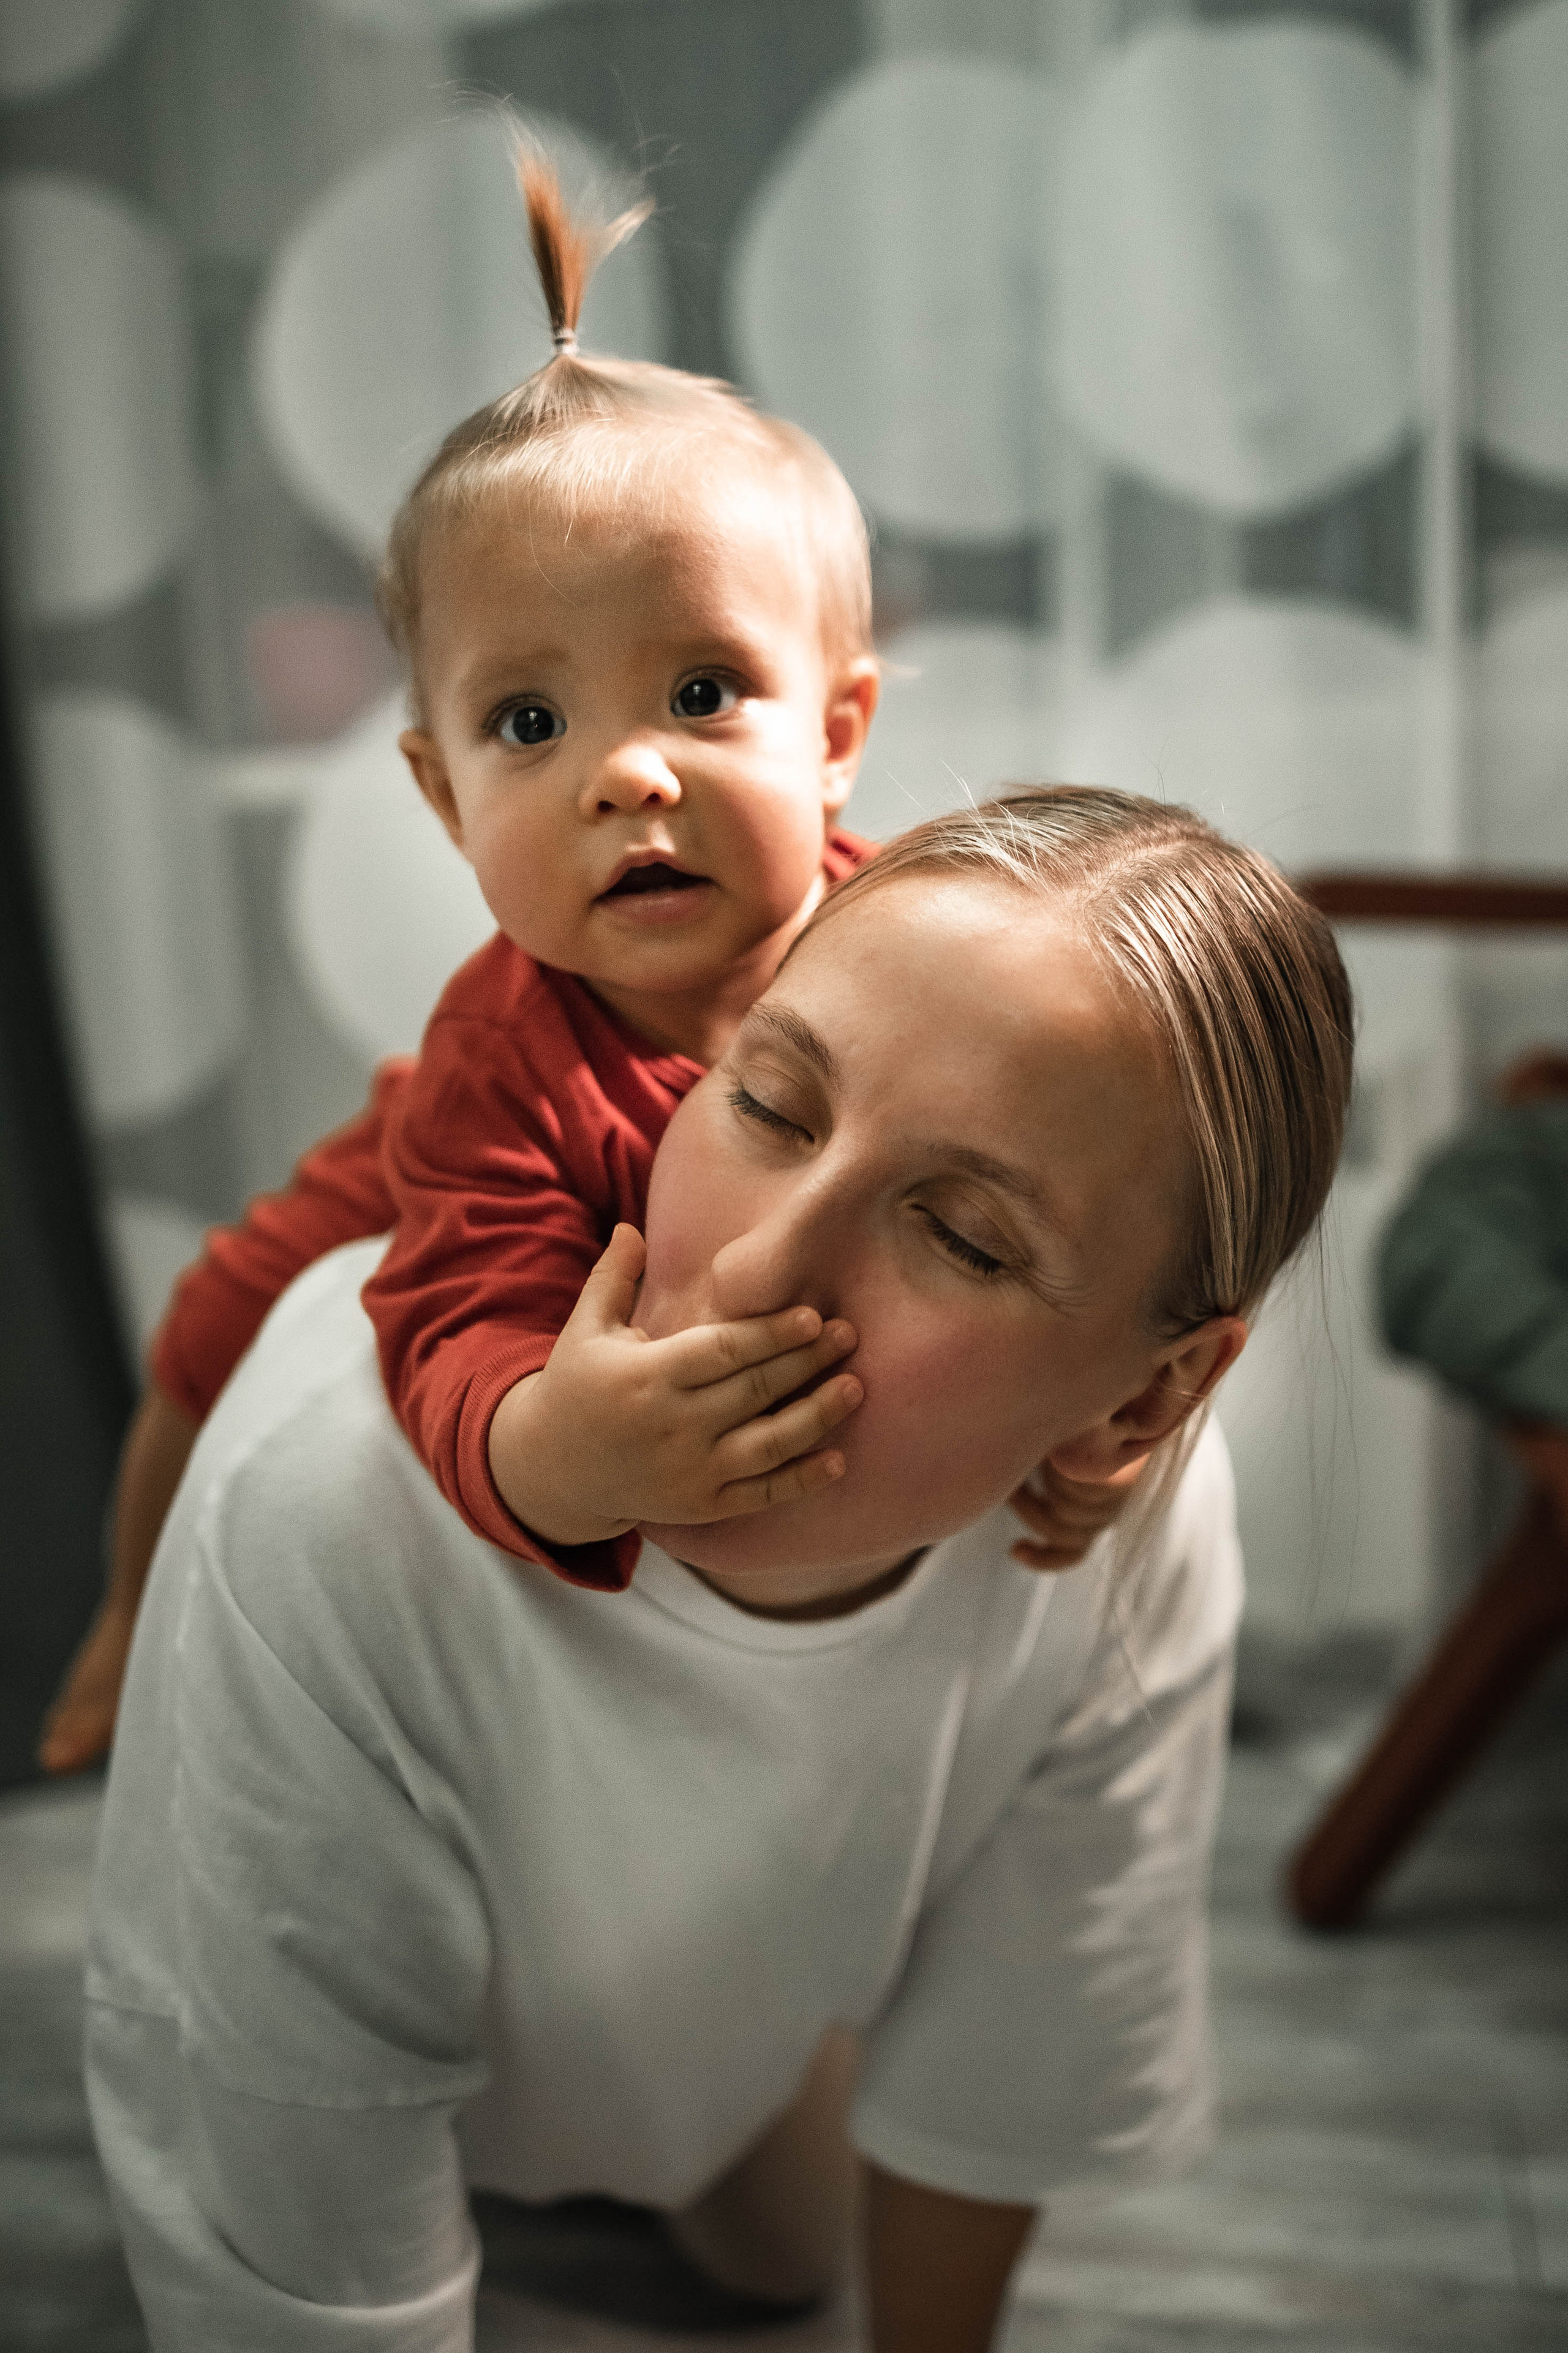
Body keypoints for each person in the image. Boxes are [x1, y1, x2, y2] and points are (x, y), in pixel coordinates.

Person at [86, 788, 1354, 2353]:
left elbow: (1013, 2059)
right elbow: (283, 2263)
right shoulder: (333, 1493)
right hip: (317, 2034)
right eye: (767, 1104)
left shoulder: (1136, 1523)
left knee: (782, 2261)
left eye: (956, 1235)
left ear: (1147, 1393)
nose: (752, 1271)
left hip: (683, 2041)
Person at [39, 160, 1127, 1778]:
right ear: (440, 791)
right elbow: (458, 1326)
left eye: (700, 691)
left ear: (835, 736)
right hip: (457, 1133)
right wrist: (558, 1450)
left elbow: (1058, 1175)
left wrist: (1086, 1402)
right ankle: (130, 1619)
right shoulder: (505, 1064)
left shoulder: (920, 949)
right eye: (531, 724)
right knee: (213, 1323)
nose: (628, 774)